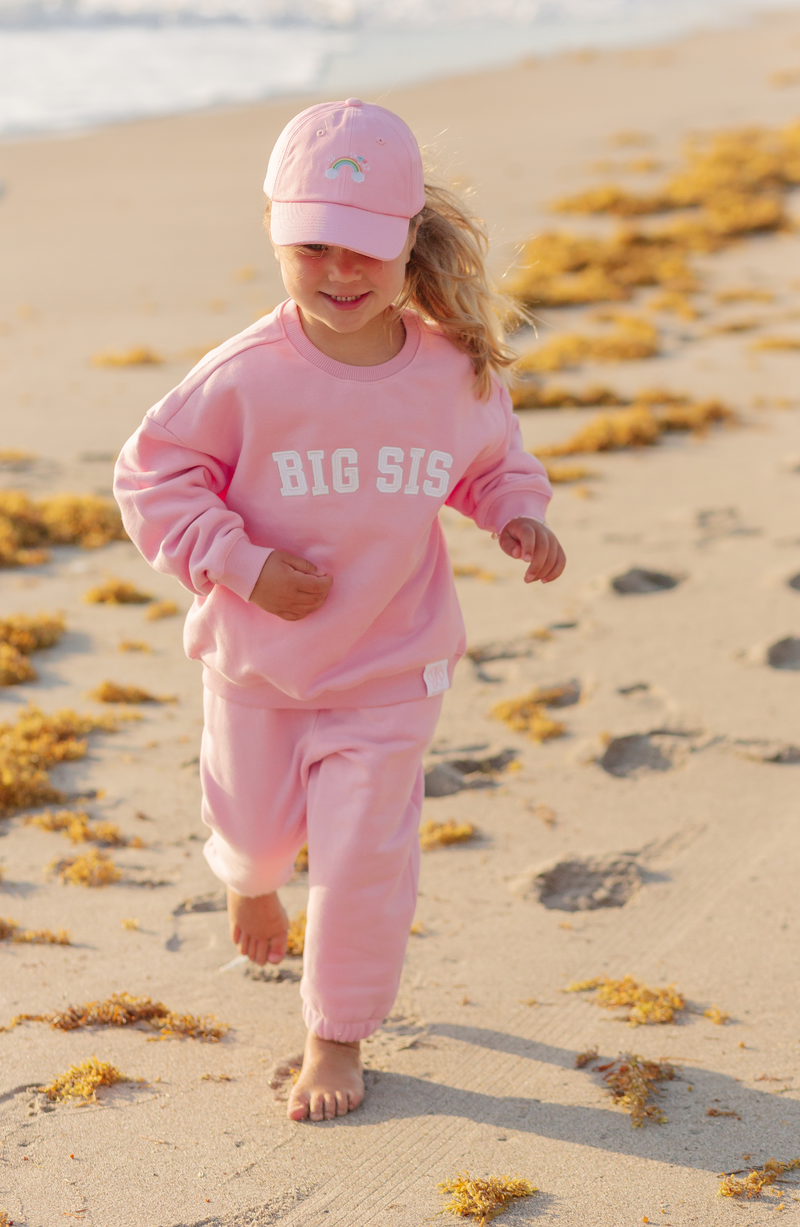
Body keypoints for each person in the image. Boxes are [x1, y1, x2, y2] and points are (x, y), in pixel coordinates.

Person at [114, 97, 565, 1124]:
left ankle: (337, 1030)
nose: (340, 271)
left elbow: (492, 461)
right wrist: (238, 563)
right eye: (313, 245)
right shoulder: (244, 377)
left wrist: (517, 514)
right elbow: (151, 478)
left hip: (390, 669)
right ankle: (250, 875)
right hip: (258, 671)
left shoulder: (447, 371)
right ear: (276, 234)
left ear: (408, 240)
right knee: (255, 837)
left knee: (364, 860)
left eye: (364, 246)